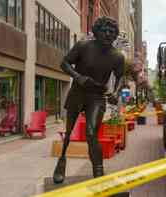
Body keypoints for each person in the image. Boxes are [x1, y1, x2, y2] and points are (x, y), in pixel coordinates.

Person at [53, 16, 124, 184]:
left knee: (92, 133)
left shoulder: (117, 56)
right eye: (105, 30)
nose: (108, 34)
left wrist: (116, 92)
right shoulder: (83, 46)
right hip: (78, 92)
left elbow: (120, 77)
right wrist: (77, 77)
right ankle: (61, 162)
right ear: (97, 31)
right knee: (69, 133)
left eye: (112, 32)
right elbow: (64, 63)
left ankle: (98, 170)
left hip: (97, 96)